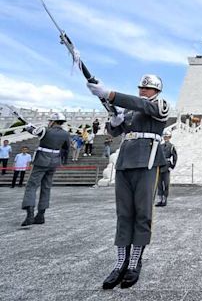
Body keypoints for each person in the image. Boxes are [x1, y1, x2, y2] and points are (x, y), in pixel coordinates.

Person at [87, 74, 169, 289]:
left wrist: (110, 94)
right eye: (141, 87)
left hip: (147, 162)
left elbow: (142, 105)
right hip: (125, 162)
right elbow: (114, 131)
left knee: (142, 213)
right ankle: (121, 261)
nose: (143, 90)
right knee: (124, 213)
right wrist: (115, 119)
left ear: (156, 91)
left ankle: (135, 262)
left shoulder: (160, 104)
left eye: (147, 88)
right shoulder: (131, 111)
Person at [20, 112, 70, 226]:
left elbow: (33, 131)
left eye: (50, 121)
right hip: (54, 162)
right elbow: (66, 149)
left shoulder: (46, 130)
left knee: (32, 186)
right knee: (46, 187)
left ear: (52, 121)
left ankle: (30, 214)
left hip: (41, 160)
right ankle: (41, 215)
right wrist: (63, 161)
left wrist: (28, 127)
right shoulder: (66, 134)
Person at [155, 131, 178, 207]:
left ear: (170, 137)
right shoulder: (160, 146)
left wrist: (172, 166)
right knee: (159, 184)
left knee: (166, 184)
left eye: (167, 137)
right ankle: (160, 199)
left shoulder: (171, 146)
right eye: (164, 137)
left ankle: (165, 199)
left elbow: (175, 157)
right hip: (160, 166)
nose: (166, 138)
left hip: (167, 166)